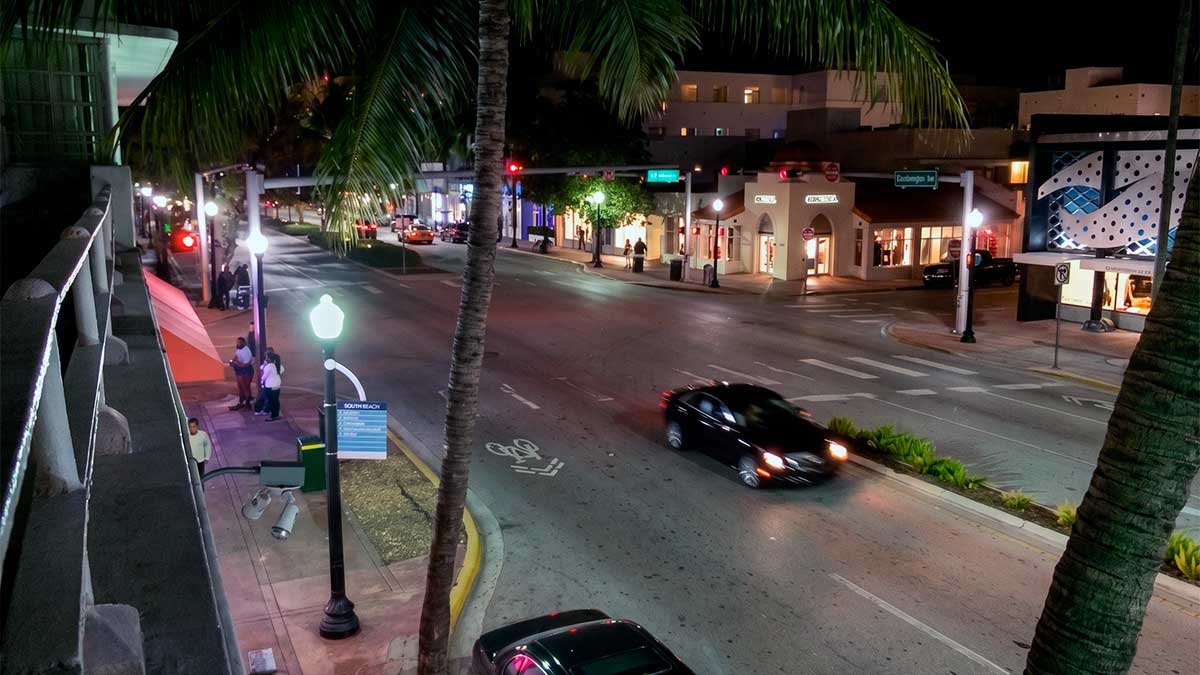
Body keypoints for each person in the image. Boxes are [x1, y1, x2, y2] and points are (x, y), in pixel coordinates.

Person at [229, 337, 255, 409]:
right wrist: (232, 361)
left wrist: (235, 363)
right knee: (240, 388)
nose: (238, 344)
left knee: (245, 388)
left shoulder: (246, 351)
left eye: (240, 343)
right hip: (240, 371)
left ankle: (247, 404)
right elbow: (236, 356)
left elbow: (245, 365)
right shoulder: (239, 348)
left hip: (246, 371)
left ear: (244, 343)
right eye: (237, 342)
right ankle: (241, 403)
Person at [261, 353, 282, 421]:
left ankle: (273, 416)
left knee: (271, 401)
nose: (265, 359)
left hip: (270, 385)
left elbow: (264, 376)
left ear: (269, 359)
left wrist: (261, 381)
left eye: (266, 357)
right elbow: (282, 370)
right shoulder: (277, 364)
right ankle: (276, 415)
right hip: (277, 385)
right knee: (276, 401)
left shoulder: (269, 366)